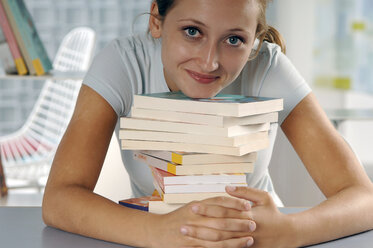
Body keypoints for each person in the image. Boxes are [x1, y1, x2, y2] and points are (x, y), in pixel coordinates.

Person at [42, 0, 373, 247]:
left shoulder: (267, 66)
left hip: (255, 240)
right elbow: (59, 199)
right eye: (192, 32)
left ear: (254, 39)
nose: (209, 62)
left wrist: (290, 232)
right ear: (157, 20)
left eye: (233, 40)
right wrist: (157, 231)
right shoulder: (124, 63)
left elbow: (364, 199)